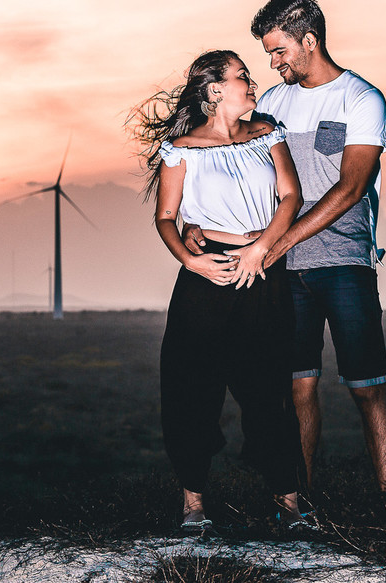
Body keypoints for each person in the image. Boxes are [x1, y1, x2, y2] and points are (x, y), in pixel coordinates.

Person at [187, 0, 386, 516]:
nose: (272, 63)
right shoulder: (271, 105)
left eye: (279, 51)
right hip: (283, 269)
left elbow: (351, 189)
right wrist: (193, 219)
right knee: (297, 387)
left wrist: (271, 244)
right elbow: (223, 163)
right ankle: (300, 509)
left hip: (344, 260)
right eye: (267, 54)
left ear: (310, 41)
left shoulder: (362, 99)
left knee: (367, 385)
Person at [131, 49, 311, 534]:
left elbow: (290, 196)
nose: (251, 82)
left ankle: (290, 506)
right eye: (241, 76)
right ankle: (193, 507)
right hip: (206, 277)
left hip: (262, 270)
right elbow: (166, 217)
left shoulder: (267, 133)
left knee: (269, 391)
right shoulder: (181, 148)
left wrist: (261, 250)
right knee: (193, 390)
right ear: (214, 90)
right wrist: (191, 259)